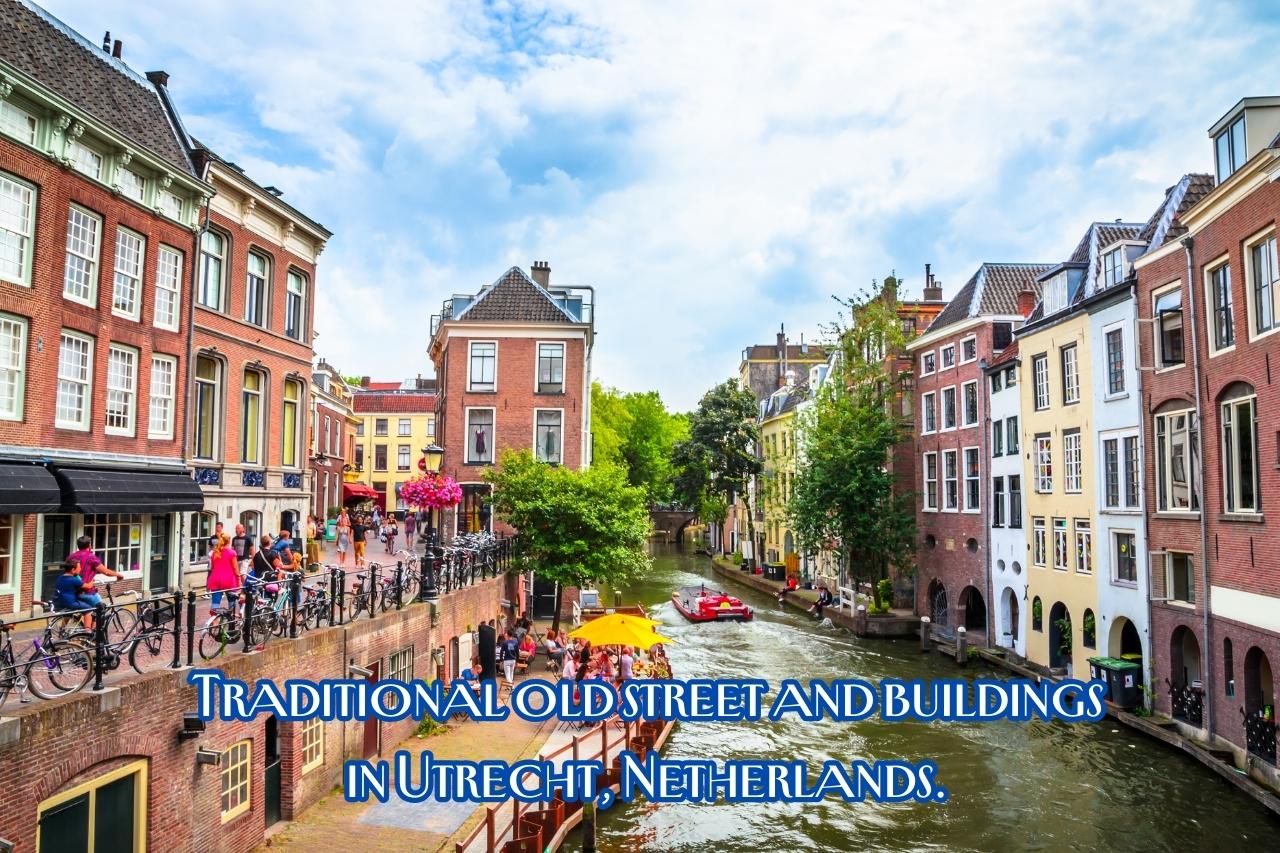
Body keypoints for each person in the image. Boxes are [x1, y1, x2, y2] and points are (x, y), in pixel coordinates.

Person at [68, 535, 121, 610]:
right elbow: (106, 572)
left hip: (73, 590)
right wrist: (118, 575)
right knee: (100, 610)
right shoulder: (91, 557)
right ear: (89, 545)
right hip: (87, 592)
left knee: (72, 613)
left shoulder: (71, 556)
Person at [206, 534, 242, 616]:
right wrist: (239, 580)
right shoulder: (231, 553)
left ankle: (213, 621)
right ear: (229, 541)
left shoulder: (215, 553)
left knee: (215, 602)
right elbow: (235, 569)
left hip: (215, 580)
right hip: (228, 580)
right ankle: (231, 622)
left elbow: (211, 568)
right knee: (231, 601)